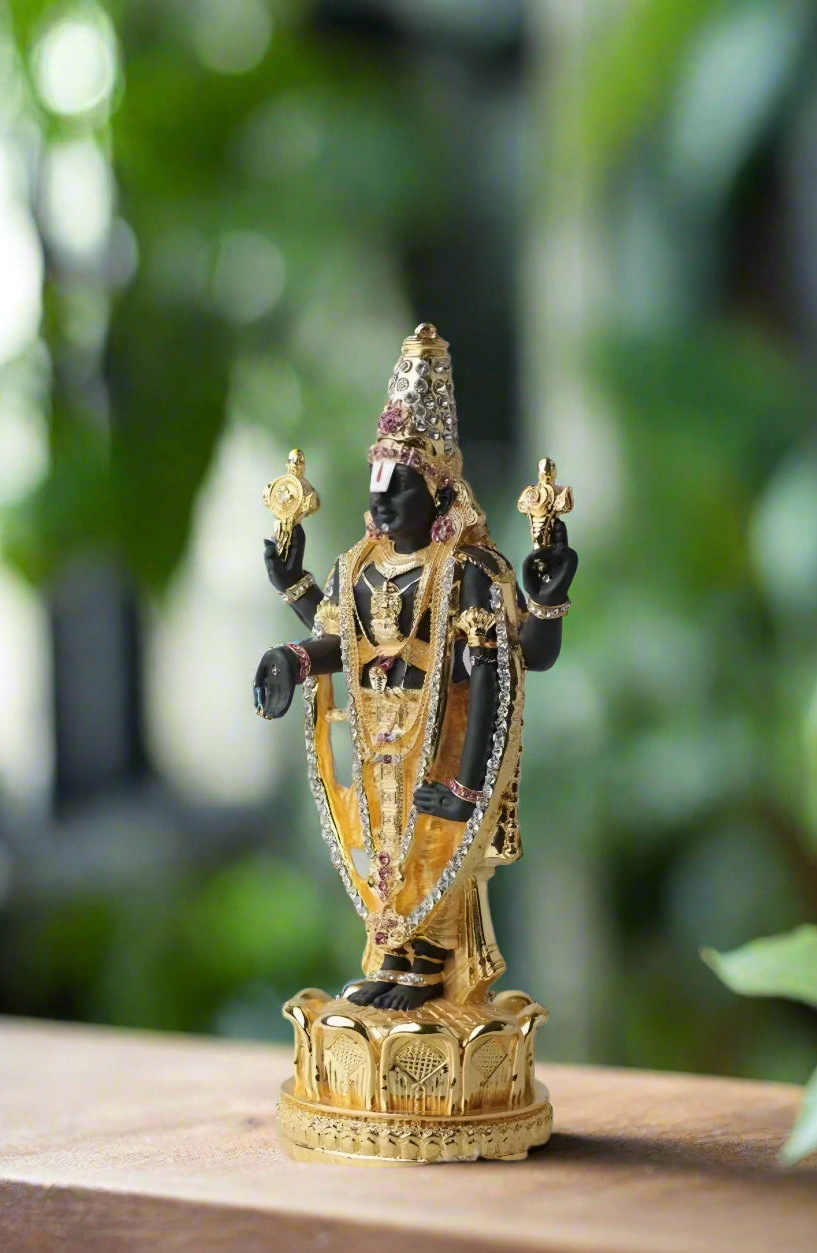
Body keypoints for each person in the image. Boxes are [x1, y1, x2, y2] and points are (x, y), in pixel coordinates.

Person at [254, 323, 577, 1012]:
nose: (379, 504)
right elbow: (342, 639)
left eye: (397, 488)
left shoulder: (468, 570)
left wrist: (545, 602)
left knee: (434, 847)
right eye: (376, 488)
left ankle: (432, 962)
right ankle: (395, 956)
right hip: (378, 737)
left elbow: (519, 663)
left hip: (446, 736)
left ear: (437, 494)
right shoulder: (359, 568)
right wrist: (292, 627)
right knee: (381, 847)